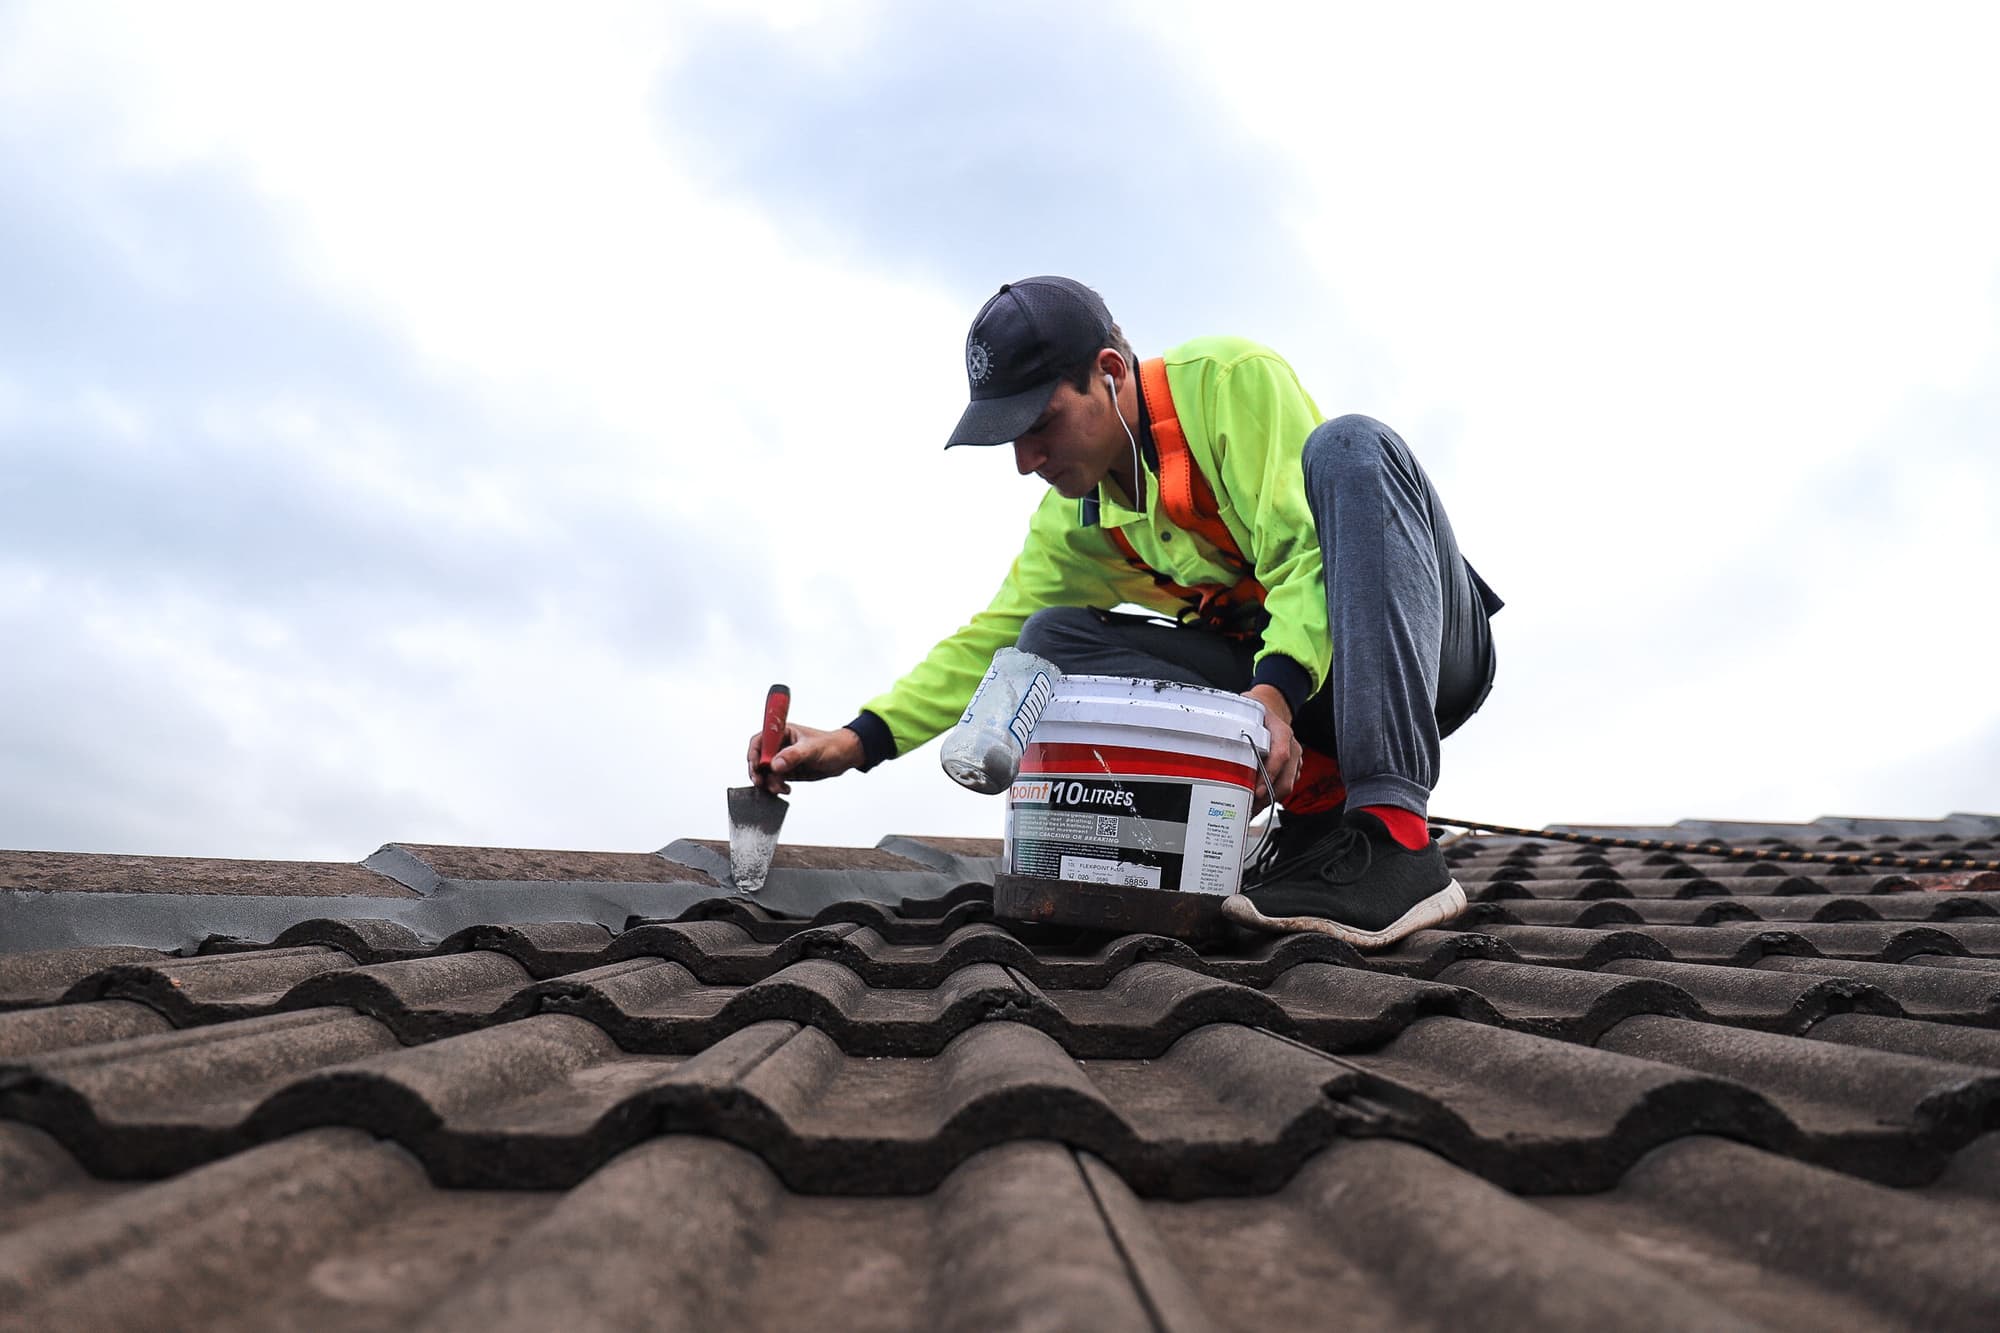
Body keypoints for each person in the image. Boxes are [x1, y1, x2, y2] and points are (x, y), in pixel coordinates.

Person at [745, 276, 1501, 947]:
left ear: (1108, 373)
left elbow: (1308, 555)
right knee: (1046, 640)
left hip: (1420, 654)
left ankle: (1395, 839)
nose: (1024, 460)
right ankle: (1314, 816)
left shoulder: (1230, 383)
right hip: (1301, 708)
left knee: (1351, 447)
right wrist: (855, 740)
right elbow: (993, 643)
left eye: (1039, 422)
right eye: (1010, 438)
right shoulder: (1072, 522)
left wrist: (1270, 693)